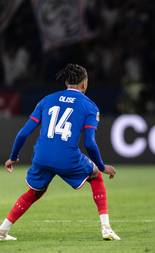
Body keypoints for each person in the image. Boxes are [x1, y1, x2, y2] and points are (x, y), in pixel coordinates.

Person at [0, 64, 121, 241]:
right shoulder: (90, 106)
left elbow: (23, 133)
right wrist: (102, 166)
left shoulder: (46, 100)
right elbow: (89, 142)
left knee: (35, 192)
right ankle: (106, 228)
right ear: (85, 84)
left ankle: (2, 231)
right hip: (67, 158)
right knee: (95, 175)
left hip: (41, 156)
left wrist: (13, 157)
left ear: (66, 82)